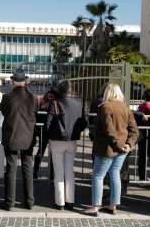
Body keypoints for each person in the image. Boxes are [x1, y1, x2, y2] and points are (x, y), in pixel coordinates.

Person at [83, 83, 139, 216]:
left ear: (107, 92)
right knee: (115, 175)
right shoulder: (126, 108)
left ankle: (95, 206)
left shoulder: (105, 107)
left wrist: (119, 146)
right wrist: (128, 145)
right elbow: (135, 131)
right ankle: (113, 206)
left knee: (98, 176)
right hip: (122, 149)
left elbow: (109, 130)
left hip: (106, 149)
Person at [0, 68, 36, 211]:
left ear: (13, 82)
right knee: (28, 168)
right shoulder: (32, 97)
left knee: (11, 168)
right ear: (25, 81)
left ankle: (10, 202)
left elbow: (4, 112)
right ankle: (29, 201)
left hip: (12, 135)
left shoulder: (7, 97)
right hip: (28, 136)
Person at [46, 80, 85, 210]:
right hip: (72, 141)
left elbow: (48, 124)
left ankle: (60, 202)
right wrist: (75, 131)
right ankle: (70, 201)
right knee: (69, 171)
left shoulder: (55, 103)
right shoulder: (78, 104)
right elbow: (84, 122)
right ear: (69, 90)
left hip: (57, 141)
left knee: (59, 172)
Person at [33, 89, 56, 179]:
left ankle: (37, 173)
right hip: (48, 132)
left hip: (44, 131)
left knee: (43, 153)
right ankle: (50, 176)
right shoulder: (54, 104)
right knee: (46, 154)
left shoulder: (41, 102)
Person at [137, 88, 150, 180]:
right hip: (149, 135)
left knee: (142, 156)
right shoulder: (149, 107)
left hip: (142, 134)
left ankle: (142, 177)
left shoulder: (141, 105)